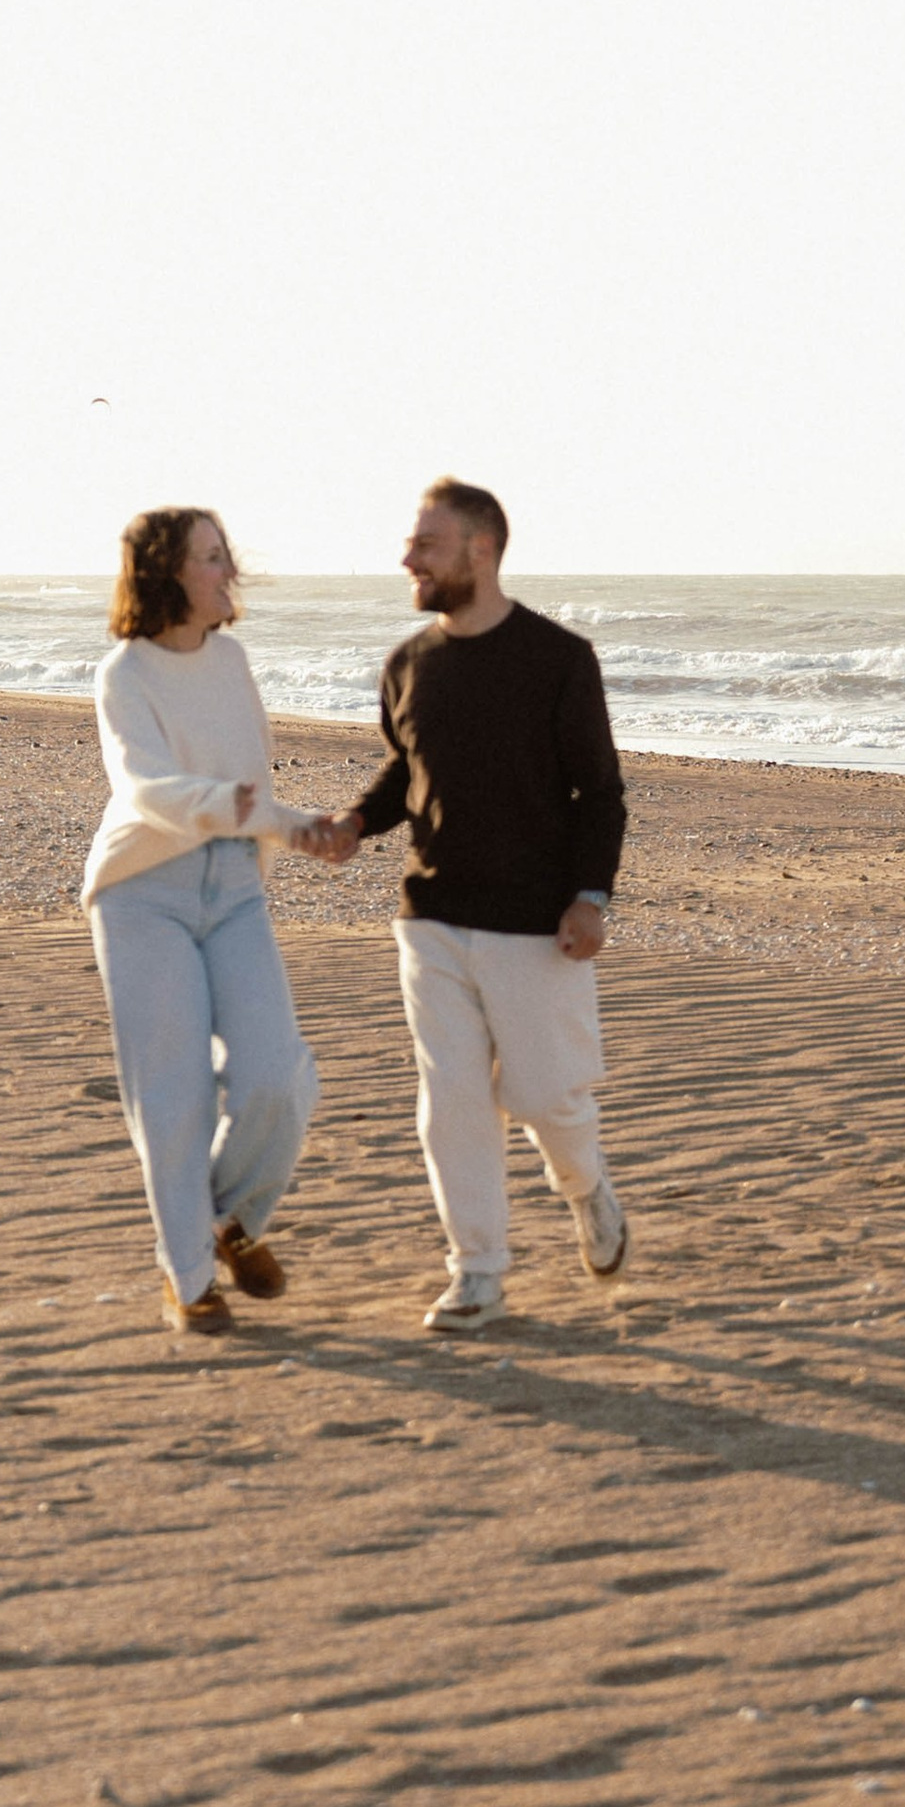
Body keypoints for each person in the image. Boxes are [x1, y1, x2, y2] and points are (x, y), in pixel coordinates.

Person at [303, 477, 628, 1334]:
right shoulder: (408, 663)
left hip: (536, 921)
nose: (407, 558)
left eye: (427, 544)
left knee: (545, 1097)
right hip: (432, 916)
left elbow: (600, 793)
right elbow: (406, 770)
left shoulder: (559, 658)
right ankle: (477, 1269)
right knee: (451, 1100)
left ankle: (587, 1187)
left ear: (481, 550)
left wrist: (590, 897)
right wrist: (356, 821)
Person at [84, 506, 322, 1334]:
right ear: (168, 573)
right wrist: (229, 805)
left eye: (226, 554)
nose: (230, 570)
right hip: (142, 889)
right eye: (213, 557)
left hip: (234, 886)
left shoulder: (231, 661)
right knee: (173, 1092)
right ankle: (187, 1276)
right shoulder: (125, 673)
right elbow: (143, 786)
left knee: (277, 1076)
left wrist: (298, 829)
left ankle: (227, 1219)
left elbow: (252, 785)